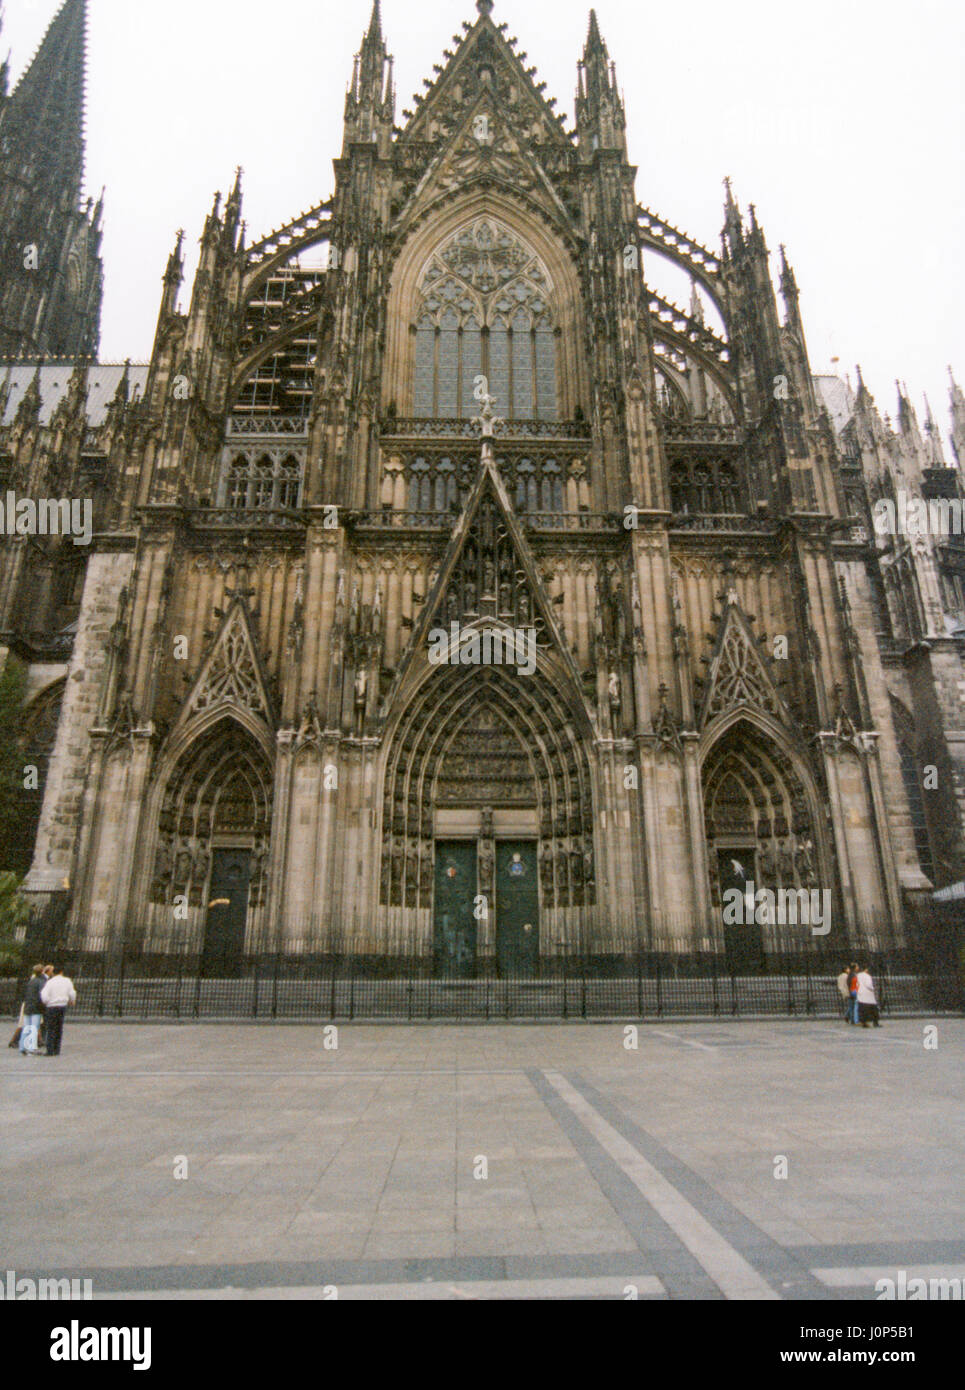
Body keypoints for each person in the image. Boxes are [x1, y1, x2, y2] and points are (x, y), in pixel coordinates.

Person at [39, 966, 77, 1056]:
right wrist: (72, 1000)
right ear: (62, 972)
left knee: (51, 1028)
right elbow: (72, 992)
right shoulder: (67, 981)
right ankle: (57, 1049)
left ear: (53, 973)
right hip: (62, 1005)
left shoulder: (50, 982)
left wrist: (46, 1001)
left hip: (52, 1006)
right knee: (59, 1028)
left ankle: (50, 1050)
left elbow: (44, 994)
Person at [18, 965, 48, 1056]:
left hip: (28, 1006)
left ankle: (22, 1047)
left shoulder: (31, 981)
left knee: (26, 1027)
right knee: (34, 1028)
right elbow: (42, 994)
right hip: (36, 1007)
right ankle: (31, 1048)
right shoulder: (41, 981)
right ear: (42, 971)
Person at [847, 962, 860, 1026]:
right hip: (854, 991)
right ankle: (856, 1020)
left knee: (851, 1007)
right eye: (857, 966)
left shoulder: (851, 975)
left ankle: (852, 1019)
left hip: (852, 991)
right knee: (856, 1006)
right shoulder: (854, 975)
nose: (858, 968)